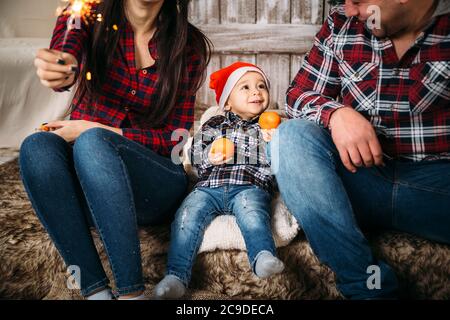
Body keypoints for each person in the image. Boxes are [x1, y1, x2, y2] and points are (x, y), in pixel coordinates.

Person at [19, 0, 210, 300]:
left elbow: (176, 141)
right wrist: (65, 64)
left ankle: (132, 293)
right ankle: (95, 291)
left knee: (93, 141)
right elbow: (68, 44)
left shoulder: (189, 45)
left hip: (154, 187)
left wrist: (101, 131)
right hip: (92, 190)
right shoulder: (87, 14)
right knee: (36, 146)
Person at [271, 0, 450, 299]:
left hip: (437, 189)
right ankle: (366, 288)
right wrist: (336, 114)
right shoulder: (341, 24)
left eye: (358, 1)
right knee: (290, 135)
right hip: (362, 178)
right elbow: (298, 94)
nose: (350, 9)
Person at [153, 62, 285, 299]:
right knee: (186, 217)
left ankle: (262, 256)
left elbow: (280, 167)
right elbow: (193, 156)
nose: (256, 91)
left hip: (249, 186)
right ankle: (175, 276)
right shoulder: (214, 124)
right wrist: (210, 157)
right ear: (227, 102)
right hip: (208, 188)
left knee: (253, 214)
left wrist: (273, 142)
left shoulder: (271, 125)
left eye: (261, 86)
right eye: (245, 87)